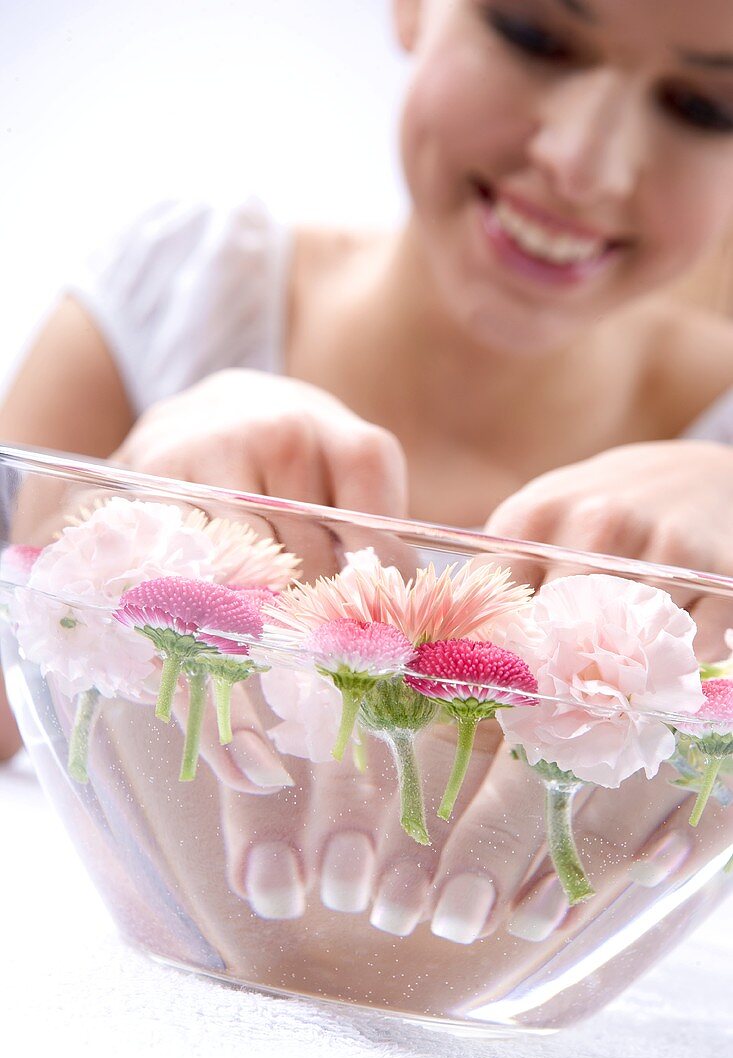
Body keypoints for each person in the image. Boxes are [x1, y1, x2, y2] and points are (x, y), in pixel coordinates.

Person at [1, 0, 733, 958]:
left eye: (703, 106)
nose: (583, 162)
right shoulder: (180, 294)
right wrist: (90, 524)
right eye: (534, 37)